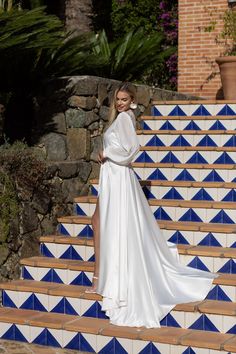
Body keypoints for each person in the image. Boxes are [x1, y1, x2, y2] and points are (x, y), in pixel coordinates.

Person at [86, 82, 218, 328]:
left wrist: (108, 155)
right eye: (118, 99)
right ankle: (100, 277)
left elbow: (134, 149)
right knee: (98, 221)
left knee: (103, 223)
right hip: (112, 177)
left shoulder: (126, 118)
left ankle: (101, 278)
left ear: (132, 100)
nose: (120, 103)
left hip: (118, 176)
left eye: (124, 99)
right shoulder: (121, 119)